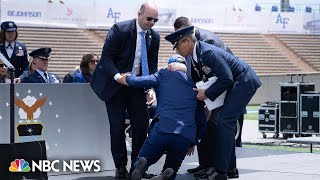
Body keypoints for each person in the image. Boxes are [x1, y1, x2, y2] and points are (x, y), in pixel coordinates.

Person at [165, 26, 261, 180]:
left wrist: (207, 94)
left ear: (187, 41)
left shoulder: (207, 53)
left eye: (177, 46)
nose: (176, 51)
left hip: (244, 81)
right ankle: (230, 169)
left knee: (224, 122)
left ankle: (221, 172)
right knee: (224, 123)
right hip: (235, 83)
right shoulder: (198, 55)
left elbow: (227, 78)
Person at [90, 2, 160, 179]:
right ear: (139, 14)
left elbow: (152, 66)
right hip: (115, 85)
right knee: (117, 126)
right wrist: (118, 77)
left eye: (155, 20)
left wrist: (150, 87)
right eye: (149, 18)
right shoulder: (120, 30)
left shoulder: (155, 37)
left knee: (142, 125)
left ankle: (137, 167)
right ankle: (120, 167)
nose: (152, 23)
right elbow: (106, 59)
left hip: (136, 85)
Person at [173, 17, 244, 179]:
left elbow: (219, 74)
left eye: (180, 38)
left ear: (187, 32)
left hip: (223, 87)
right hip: (209, 87)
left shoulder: (207, 41)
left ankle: (217, 167)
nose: (179, 42)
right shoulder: (194, 42)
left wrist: (209, 99)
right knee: (208, 124)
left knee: (216, 125)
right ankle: (208, 164)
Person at [122, 54, 206, 180]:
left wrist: (127, 77)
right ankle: (166, 174)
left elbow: (138, 81)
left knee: (145, 157)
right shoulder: (194, 86)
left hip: (162, 128)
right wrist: (194, 141)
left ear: (169, 66)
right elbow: (201, 119)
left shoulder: (163, 75)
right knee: (172, 166)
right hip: (185, 134)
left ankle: (142, 163)